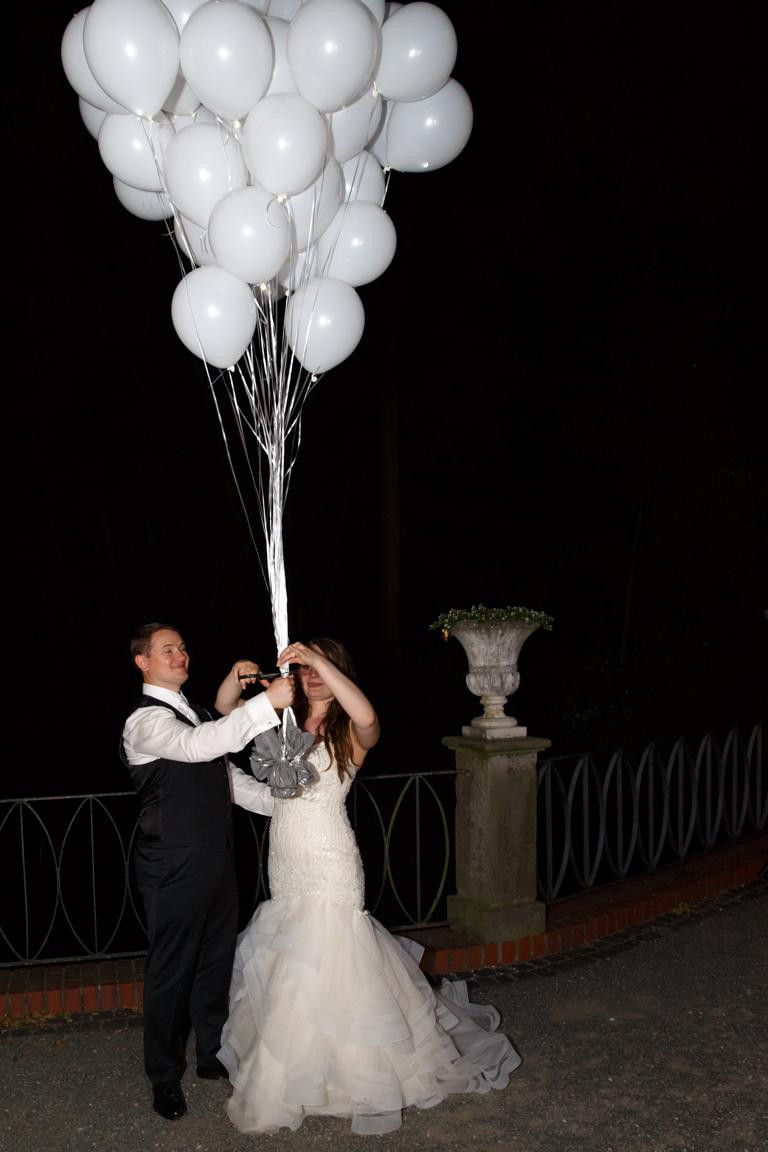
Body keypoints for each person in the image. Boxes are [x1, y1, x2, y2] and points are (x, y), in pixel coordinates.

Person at [217, 636, 522, 1135]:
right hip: (285, 859)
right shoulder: (284, 722)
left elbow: (367, 716)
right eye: (308, 668)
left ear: (338, 672)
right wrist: (236, 678)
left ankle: (351, 1078)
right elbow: (228, 715)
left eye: (324, 667)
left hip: (330, 859)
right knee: (295, 966)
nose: (313, 676)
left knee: (334, 956)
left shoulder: (349, 732)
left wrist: (316, 660)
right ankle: (309, 1074)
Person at [120, 621, 294, 1122]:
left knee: (216, 960)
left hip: (216, 860)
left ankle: (212, 1053)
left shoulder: (193, 711)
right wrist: (267, 704)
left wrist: (287, 805)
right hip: (171, 864)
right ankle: (163, 1074)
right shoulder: (142, 722)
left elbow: (227, 780)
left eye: (182, 646)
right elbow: (200, 747)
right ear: (143, 662)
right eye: (167, 649)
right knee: (171, 969)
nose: (180, 654)